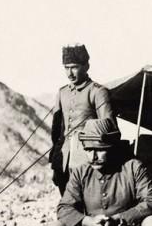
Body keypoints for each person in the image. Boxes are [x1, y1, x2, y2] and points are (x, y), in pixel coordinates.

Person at [49, 43, 116, 195]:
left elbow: (109, 128)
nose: (69, 73)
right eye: (66, 68)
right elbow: (57, 132)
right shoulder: (62, 93)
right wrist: (55, 162)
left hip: (89, 160)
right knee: (67, 203)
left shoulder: (98, 92)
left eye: (74, 67)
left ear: (86, 66)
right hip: (64, 161)